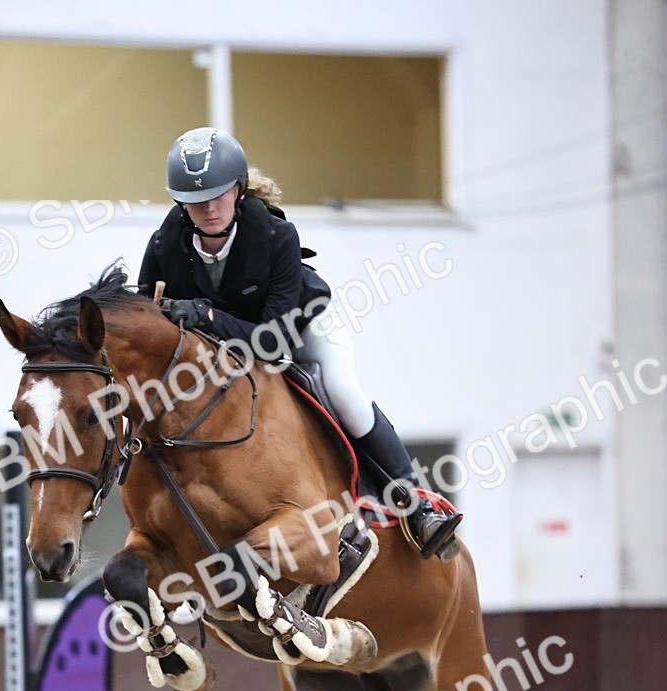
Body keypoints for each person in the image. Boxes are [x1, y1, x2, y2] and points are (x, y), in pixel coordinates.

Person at [138, 127, 462, 560]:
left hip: (300, 328)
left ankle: (415, 504)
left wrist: (208, 315)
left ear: (238, 190)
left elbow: (273, 344)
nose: (209, 208)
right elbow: (145, 317)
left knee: (344, 393)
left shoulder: (274, 237)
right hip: (223, 348)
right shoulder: (164, 244)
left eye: (218, 194)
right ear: (180, 202)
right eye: (196, 199)